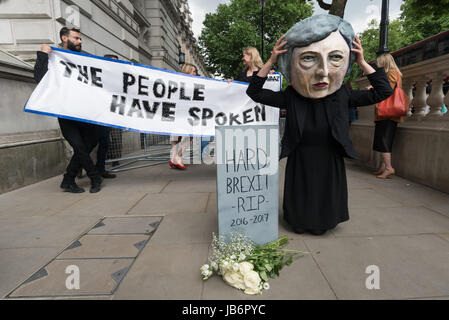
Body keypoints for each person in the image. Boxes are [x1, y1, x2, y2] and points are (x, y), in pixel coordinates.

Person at [246, 14, 393, 236]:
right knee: (302, 193)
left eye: (334, 57)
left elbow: (384, 91)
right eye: (309, 59)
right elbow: (254, 92)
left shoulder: (343, 94)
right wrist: (271, 61)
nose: (322, 71)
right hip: (301, 156)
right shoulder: (292, 96)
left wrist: (362, 61)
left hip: (329, 155)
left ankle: (324, 221)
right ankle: (299, 220)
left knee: (325, 193)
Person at [34, 27, 103, 193]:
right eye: (76, 38)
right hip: (66, 113)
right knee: (79, 147)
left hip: (86, 113)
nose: (80, 41)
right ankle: (95, 177)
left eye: (80, 39)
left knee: (89, 144)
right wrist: (43, 55)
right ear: (64, 38)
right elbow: (39, 78)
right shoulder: (53, 57)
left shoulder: (84, 58)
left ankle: (68, 179)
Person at [372, 53, 404, 179]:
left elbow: (387, 91)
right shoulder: (394, 72)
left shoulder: (391, 72)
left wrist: (373, 87)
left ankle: (389, 167)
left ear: (384, 62)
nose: (377, 64)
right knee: (382, 140)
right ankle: (383, 167)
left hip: (388, 113)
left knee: (384, 141)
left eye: (379, 62)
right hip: (387, 114)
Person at [93, 54, 120, 179]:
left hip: (110, 114)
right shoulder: (98, 74)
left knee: (105, 142)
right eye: (111, 61)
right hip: (96, 114)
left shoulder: (118, 77)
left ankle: (101, 168)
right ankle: (78, 168)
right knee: (90, 143)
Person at [169, 63, 198, 170]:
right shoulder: (184, 83)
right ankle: (177, 157)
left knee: (178, 136)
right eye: (193, 71)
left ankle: (173, 159)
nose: (195, 73)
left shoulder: (180, 82)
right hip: (182, 113)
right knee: (189, 135)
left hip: (181, 112)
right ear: (188, 71)